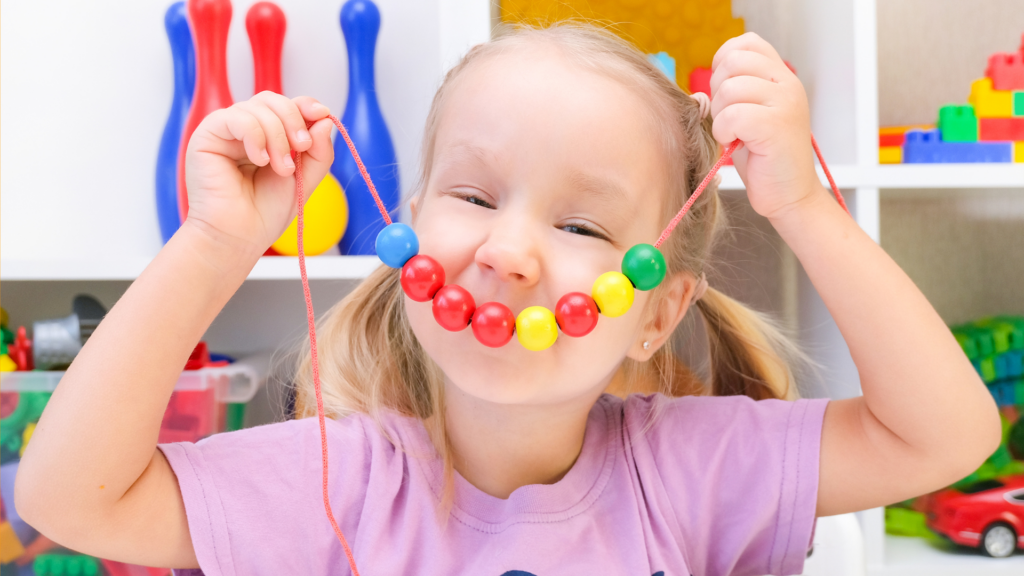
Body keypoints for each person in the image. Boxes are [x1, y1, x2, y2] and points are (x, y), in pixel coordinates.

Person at [15, 23, 1001, 576]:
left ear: (657, 310)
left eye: (580, 227)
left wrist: (806, 209)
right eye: (475, 197)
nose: (509, 252)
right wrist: (215, 242)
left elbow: (945, 439)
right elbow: (68, 500)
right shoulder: (330, 485)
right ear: (407, 235)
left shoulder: (697, 469)